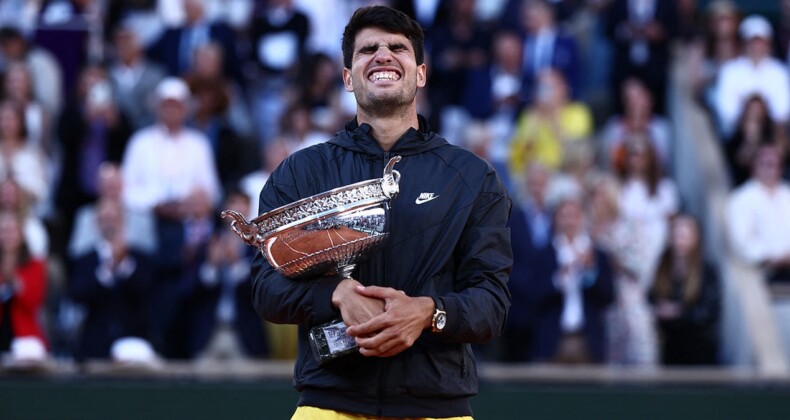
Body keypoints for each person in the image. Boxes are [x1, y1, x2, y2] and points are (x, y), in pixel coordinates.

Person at [251, 6, 512, 419]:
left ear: (421, 73)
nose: (383, 55)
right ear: (348, 78)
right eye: (367, 49)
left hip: (436, 406)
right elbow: (266, 288)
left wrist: (428, 312)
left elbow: (491, 303)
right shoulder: (301, 171)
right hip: (329, 402)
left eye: (398, 48)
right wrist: (334, 294)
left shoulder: (471, 176)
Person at [649, 214, 719, 365]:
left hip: (698, 352)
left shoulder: (706, 271)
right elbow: (651, 296)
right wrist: (659, 310)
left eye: (683, 236)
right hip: (669, 348)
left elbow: (709, 312)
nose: (679, 242)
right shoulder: (664, 267)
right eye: (676, 235)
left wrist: (678, 312)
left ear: (695, 238)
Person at [726, 142, 790, 283]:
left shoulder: (787, 193)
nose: (770, 169)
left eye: (774, 164)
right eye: (765, 164)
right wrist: (773, 257)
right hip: (762, 274)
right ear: (754, 166)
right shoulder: (741, 198)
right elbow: (743, 242)